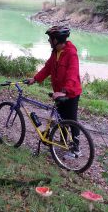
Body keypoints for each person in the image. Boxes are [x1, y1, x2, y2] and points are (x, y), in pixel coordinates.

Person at [28, 26, 82, 156]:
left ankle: (76, 149)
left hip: (71, 93)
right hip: (58, 92)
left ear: (56, 40)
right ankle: (63, 143)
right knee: (60, 118)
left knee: (71, 120)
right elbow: (47, 68)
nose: (48, 41)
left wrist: (65, 91)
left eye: (50, 39)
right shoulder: (55, 53)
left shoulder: (71, 53)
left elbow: (72, 73)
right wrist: (35, 79)